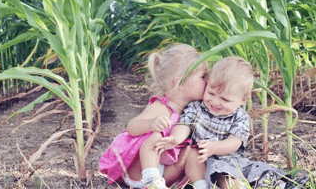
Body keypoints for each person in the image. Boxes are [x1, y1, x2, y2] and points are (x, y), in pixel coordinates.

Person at [155, 56, 291, 189]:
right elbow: (184, 125)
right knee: (211, 167)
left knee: (250, 172)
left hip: (228, 161)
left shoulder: (240, 118)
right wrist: (175, 138)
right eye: (211, 93)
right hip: (199, 161)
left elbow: (235, 142)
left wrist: (214, 147)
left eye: (225, 99)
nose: (215, 102)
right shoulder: (196, 108)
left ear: (244, 99)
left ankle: (270, 183)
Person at [99, 43, 209, 189]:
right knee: (156, 136)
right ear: (179, 81)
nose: (207, 81)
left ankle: (200, 184)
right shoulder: (162, 106)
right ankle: (151, 180)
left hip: (166, 172)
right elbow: (131, 127)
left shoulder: (193, 109)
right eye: (203, 77)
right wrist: (151, 123)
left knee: (192, 151)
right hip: (141, 171)